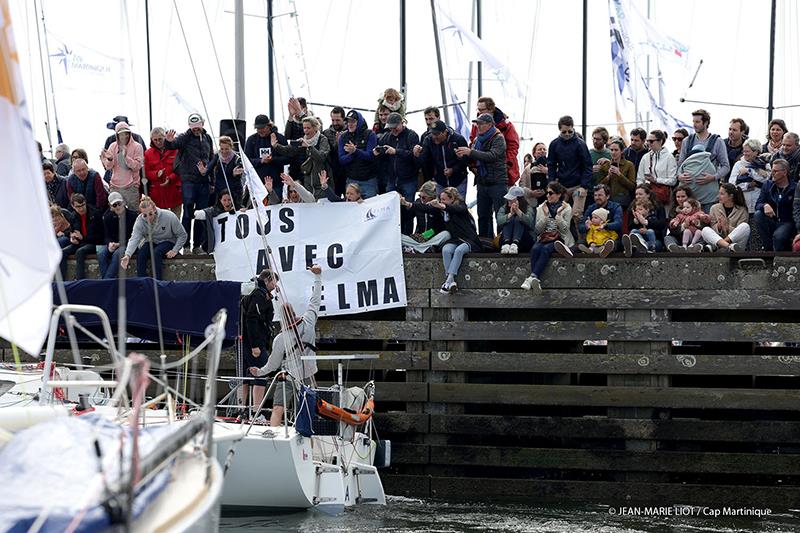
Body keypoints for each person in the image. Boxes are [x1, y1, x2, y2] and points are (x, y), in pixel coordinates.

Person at [249, 264, 323, 427]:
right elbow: (315, 300)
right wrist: (318, 277)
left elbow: (273, 364)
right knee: (308, 410)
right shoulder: (309, 321)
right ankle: (307, 439)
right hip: (309, 374)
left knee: (277, 409)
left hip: (289, 376)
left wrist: (259, 372)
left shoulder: (280, 339)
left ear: (281, 318)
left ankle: (273, 439)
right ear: (295, 313)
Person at [409, 187, 480, 294]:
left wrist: (443, 206)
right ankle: (451, 283)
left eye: (444, 199)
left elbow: (457, 209)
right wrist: (409, 204)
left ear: (452, 199)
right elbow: (425, 208)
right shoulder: (441, 210)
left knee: (459, 251)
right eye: (440, 199)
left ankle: (449, 279)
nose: (441, 201)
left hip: (468, 239)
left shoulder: (461, 206)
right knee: (446, 250)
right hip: (455, 239)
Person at [165, 113, 215, 254]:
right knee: (187, 214)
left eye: (198, 127)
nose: (195, 129)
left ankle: (197, 245)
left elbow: (211, 159)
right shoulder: (185, 137)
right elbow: (173, 145)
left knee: (200, 214)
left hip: (204, 181)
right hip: (189, 181)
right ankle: (186, 245)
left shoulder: (208, 138)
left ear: (202, 125)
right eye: (193, 127)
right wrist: (168, 141)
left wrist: (212, 180)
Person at [456, 113, 507, 238]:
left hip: (497, 182)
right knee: (483, 215)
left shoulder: (498, 138)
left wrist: (471, 152)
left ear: (489, 125)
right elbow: (474, 158)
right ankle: (485, 241)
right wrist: (464, 155)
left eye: (481, 123)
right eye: (477, 123)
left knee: (500, 215)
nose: (477, 126)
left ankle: (502, 241)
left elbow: (493, 156)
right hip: (482, 182)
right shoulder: (477, 140)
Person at [520, 182, 573, 291]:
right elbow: (538, 230)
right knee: (535, 249)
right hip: (545, 236)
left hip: (560, 238)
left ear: (558, 195)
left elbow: (565, 229)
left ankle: (532, 277)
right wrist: (544, 216)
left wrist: (558, 215)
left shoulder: (567, 208)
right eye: (547, 193)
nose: (548, 195)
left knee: (545, 250)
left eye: (551, 193)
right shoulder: (541, 208)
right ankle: (534, 279)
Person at [241, 268, 278, 423]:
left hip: (248, 342)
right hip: (254, 343)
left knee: (246, 376)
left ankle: (243, 411)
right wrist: (255, 345)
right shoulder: (258, 294)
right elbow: (252, 319)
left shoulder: (253, 292)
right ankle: (256, 412)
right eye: (275, 282)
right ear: (268, 279)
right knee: (261, 374)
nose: (276, 286)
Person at [120, 196, 188, 279]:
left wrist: (175, 249)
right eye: (145, 215)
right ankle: (142, 282)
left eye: (150, 214)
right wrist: (127, 255)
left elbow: (182, 235)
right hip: (152, 241)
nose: (148, 218)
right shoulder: (140, 221)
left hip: (168, 241)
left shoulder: (169, 216)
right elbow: (134, 238)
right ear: (141, 213)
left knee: (156, 252)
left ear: (154, 209)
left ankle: (157, 282)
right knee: (141, 254)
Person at [677, 109, 730, 211]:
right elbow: (680, 164)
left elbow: (726, 166)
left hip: (708, 196)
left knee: (707, 224)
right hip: (689, 196)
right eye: (693, 122)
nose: (694, 125)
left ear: (705, 123)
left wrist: (714, 177)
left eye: (697, 122)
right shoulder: (687, 141)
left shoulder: (717, 141)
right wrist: (680, 176)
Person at [375, 112, 420, 234]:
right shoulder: (387, 136)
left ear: (402, 123)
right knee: (391, 210)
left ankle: (407, 235)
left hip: (408, 179)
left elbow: (413, 155)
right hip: (391, 179)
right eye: (390, 127)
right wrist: (379, 153)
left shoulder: (412, 135)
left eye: (395, 127)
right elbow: (382, 152)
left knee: (408, 209)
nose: (393, 130)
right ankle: (394, 235)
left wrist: (396, 151)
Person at [547, 115, 592, 224]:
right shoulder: (554, 144)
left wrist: (584, 185)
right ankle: (558, 238)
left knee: (577, 214)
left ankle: (580, 240)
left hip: (578, 185)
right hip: (561, 185)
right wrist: (552, 184)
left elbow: (587, 165)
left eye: (569, 131)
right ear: (560, 130)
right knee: (557, 213)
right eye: (564, 132)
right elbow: (551, 165)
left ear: (573, 128)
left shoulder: (580, 144)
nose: (567, 134)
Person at [468, 96, 520, 186]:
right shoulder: (476, 124)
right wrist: (473, 165)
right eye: (478, 109)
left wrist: (506, 164)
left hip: (502, 171)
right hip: (483, 170)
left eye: (482, 109)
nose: (479, 112)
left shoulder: (506, 125)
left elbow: (513, 146)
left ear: (491, 109)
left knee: (504, 197)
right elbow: (473, 142)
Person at [563, 183, 623, 257]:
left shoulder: (616, 207)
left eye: (600, 195)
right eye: (595, 195)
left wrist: (605, 225)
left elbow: (618, 224)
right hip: (594, 239)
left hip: (610, 237)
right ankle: (568, 251)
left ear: (607, 196)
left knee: (612, 243)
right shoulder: (591, 208)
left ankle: (603, 249)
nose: (597, 197)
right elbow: (580, 227)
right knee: (581, 242)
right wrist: (586, 226)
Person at [413, 120, 469, 197]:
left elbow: (466, 160)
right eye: (432, 134)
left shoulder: (458, 139)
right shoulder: (428, 140)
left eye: (437, 134)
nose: (434, 137)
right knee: (441, 206)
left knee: (458, 206)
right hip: (440, 181)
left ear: (445, 132)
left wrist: (453, 169)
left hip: (458, 180)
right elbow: (424, 161)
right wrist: (417, 155)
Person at [398, 181, 451, 253]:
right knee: (398, 237)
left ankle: (417, 248)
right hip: (419, 238)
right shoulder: (418, 202)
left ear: (432, 197)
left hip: (434, 236)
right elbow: (407, 217)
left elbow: (429, 210)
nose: (421, 199)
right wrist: (402, 205)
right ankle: (423, 248)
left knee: (446, 234)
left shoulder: (438, 205)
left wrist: (426, 235)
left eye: (424, 197)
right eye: (420, 196)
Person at [245, 114, 290, 200]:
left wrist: (272, 160)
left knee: (275, 205)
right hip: (257, 184)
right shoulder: (251, 140)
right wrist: (260, 161)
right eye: (258, 128)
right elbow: (246, 161)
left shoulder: (279, 138)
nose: (260, 130)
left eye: (262, 128)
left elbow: (288, 158)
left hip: (276, 183)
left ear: (269, 126)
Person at [60, 194, 104, 280]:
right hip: (80, 242)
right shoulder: (73, 216)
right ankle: (61, 281)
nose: (81, 208)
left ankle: (80, 279)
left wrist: (83, 237)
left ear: (85, 203)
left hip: (93, 243)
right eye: (78, 206)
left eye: (83, 205)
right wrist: (73, 238)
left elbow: (100, 237)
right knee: (62, 252)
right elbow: (72, 231)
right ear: (73, 206)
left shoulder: (95, 214)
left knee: (80, 252)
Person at [101, 121, 144, 210]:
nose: (124, 136)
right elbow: (108, 167)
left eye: (126, 133)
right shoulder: (112, 146)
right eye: (121, 134)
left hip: (131, 187)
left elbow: (137, 166)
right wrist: (109, 159)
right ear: (117, 135)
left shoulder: (137, 147)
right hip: (115, 186)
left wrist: (126, 157)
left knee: (133, 212)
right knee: (115, 211)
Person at [755, 159, 796, 251]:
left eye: (775, 171)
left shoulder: (794, 188)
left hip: (787, 222)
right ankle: (768, 249)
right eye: (772, 171)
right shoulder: (767, 185)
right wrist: (765, 205)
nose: (772, 173)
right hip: (772, 220)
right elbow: (758, 204)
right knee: (758, 215)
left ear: (784, 172)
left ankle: (779, 259)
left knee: (778, 236)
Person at [339, 110, 378, 198]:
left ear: (359, 122)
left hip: (369, 180)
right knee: (351, 209)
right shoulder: (343, 137)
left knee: (370, 208)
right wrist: (353, 153)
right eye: (348, 121)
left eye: (353, 121)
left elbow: (371, 156)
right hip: (351, 180)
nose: (350, 124)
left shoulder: (370, 134)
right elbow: (341, 160)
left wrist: (355, 151)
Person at [144, 126, 182, 217]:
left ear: (165, 137)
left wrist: (171, 178)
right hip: (158, 193)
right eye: (155, 140)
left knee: (176, 220)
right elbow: (146, 172)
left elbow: (180, 168)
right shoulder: (148, 153)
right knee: (161, 221)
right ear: (151, 140)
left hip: (174, 190)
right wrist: (156, 174)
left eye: (160, 139)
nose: (158, 142)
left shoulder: (175, 150)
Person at [701, 183, 750, 253]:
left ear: (731, 196)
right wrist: (719, 226)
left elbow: (740, 232)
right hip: (719, 241)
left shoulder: (742, 210)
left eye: (722, 194)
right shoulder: (714, 208)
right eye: (719, 193)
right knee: (705, 230)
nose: (719, 196)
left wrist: (727, 227)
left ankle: (720, 246)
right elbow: (713, 228)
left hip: (736, 245)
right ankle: (727, 246)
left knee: (745, 226)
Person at [99, 192, 138, 279]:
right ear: (110, 206)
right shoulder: (107, 217)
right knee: (101, 253)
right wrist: (109, 243)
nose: (117, 207)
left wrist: (120, 244)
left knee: (117, 254)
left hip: (128, 244)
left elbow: (134, 237)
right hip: (114, 244)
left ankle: (105, 282)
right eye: (114, 205)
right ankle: (107, 281)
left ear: (123, 202)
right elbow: (106, 235)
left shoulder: (133, 216)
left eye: (119, 203)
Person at [637, 129, 677, 207]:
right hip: (646, 198)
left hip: (662, 197)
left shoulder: (669, 157)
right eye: (647, 141)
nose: (648, 143)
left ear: (660, 141)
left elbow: (673, 180)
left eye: (651, 141)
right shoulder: (645, 157)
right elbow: (639, 178)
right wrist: (642, 191)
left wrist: (656, 180)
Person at [729, 138, 770, 214]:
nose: (745, 153)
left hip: (759, 205)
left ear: (756, 152)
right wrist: (748, 185)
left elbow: (767, 180)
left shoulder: (765, 164)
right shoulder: (738, 165)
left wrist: (749, 171)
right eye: (743, 151)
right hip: (742, 205)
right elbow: (732, 184)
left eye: (747, 151)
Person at [623, 185, 666, 255]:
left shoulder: (658, 207)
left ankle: (637, 247)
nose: (638, 196)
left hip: (654, 238)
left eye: (640, 194)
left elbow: (662, 225)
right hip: (638, 236)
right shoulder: (633, 208)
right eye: (636, 194)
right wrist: (635, 222)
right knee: (633, 231)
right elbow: (629, 226)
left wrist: (647, 223)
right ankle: (634, 246)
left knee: (657, 245)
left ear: (648, 195)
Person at [204, 136, 244, 209]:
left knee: (236, 209)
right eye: (222, 149)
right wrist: (204, 171)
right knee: (219, 211)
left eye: (226, 149)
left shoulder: (237, 158)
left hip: (234, 191)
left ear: (231, 147)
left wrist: (235, 174)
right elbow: (209, 168)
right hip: (220, 191)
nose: (224, 151)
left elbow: (240, 170)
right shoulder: (217, 156)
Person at [194, 189, 237, 254]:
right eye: (224, 200)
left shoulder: (238, 209)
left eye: (229, 200)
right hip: (218, 246)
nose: (227, 203)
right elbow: (202, 214)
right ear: (220, 200)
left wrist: (242, 212)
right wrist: (192, 213)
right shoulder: (214, 211)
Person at [677, 144, 718, 213]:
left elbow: (679, 174)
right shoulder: (709, 164)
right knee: (706, 219)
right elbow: (714, 174)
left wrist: (679, 177)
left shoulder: (686, 163)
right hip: (708, 199)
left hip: (690, 201)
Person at [597, 138, 636, 209]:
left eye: (616, 150)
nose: (613, 152)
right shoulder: (606, 165)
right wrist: (608, 177)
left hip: (623, 200)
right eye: (611, 150)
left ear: (621, 151)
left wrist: (619, 174)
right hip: (607, 200)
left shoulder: (629, 165)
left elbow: (632, 186)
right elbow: (599, 185)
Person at [496, 186, 535, 254]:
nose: (508, 201)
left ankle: (515, 243)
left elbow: (530, 222)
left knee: (517, 219)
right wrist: (510, 214)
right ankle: (507, 243)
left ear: (518, 199)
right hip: (506, 240)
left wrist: (518, 211)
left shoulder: (528, 208)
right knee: (510, 219)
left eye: (511, 199)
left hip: (523, 240)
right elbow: (499, 221)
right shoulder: (504, 207)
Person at [284, 97, 312, 182]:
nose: (296, 111)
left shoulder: (314, 120)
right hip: (294, 163)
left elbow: (311, 134)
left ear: (305, 108)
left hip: (308, 163)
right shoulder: (292, 121)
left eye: (297, 108)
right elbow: (287, 135)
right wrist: (290, 116)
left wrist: (300, 113)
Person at [321, 106, 347, 196]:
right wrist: (337, 144)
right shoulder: (326, 133)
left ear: (344, 119)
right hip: (333, 173)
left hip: (347, 172)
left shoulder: (349, 131)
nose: (335, 123)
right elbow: (327, 153)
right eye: (333, 120)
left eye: (338, 120)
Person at [663, 186, 695, 250]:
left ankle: (695, 247)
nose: (680, 199)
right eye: (678, 197)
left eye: (683, 196)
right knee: (667, 238)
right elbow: (672, 230)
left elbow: (701, 226)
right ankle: (675, 249)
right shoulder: (673, 210)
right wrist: (682, 227)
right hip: (678, 238)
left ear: (689, 197)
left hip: (693, 237)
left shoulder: (695, 208)